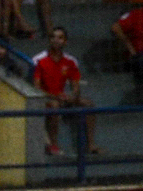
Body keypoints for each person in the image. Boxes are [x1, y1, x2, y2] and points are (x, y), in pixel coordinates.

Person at [33, 27, 97, 157]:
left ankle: (90, 145)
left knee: (88, 104)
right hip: (46, 98)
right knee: (54, 106)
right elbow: (36, 89)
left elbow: (76, 86)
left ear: (65, 41)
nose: (56, 40)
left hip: (61, 97)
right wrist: (55, 97)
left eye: (60, 37)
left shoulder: (70, 61)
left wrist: (73, 96)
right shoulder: (39, 60)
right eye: (53, 37)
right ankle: (53, 145)